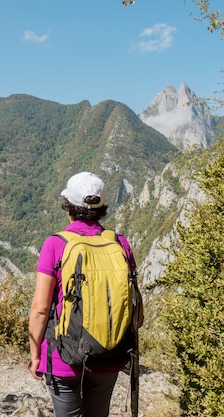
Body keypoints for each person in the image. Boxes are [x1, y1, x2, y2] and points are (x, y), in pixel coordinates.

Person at [28, 171, 137, 417]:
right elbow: (134, 305)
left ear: (68, 206)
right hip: (108, 353)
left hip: (63, 356)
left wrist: (35, 354)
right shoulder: (121, 244)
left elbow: (41, 308)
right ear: (102, 207)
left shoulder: (55, 244)